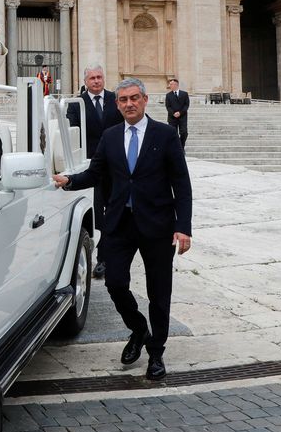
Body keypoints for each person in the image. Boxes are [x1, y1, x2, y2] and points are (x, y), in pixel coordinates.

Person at [53, 78, 192, 379]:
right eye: (123, 100)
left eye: (134, 98)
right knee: (115, 283)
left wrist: (183, 227)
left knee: (159, 292)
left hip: (157, 225)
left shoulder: (165, 135)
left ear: (144, 100)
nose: (129, 104)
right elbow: (95, 172)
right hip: (120, 222)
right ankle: (138, 329)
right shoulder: (111, 136)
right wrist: (70, 181)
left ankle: (156, 353)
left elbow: (181, 183)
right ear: (117, 104)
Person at [66, 65, 124, 278]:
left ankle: (111, 254)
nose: (97, 81)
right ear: (86, 80)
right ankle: (100, 257)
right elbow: (72, 131)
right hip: (90, 165)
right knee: (97, 212)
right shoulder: (76, 104)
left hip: (115, 165)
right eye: (92, 78)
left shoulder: (115, 99)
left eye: (100, 77)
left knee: (116, 209)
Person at [164, 77, 189, 148]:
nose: (170, 86)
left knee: (184, 132)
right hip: (172, 117)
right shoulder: (168, 95)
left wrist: (180, 113)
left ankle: (181, 146)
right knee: (172, 134)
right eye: (170, 84)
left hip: (182, 117)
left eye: (171, 84)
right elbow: (168, 106)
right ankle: (175, 148)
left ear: (176, 85)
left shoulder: (184, 94)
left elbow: (186, 105)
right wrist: (173, 113)